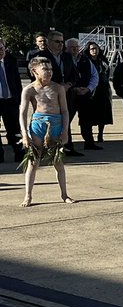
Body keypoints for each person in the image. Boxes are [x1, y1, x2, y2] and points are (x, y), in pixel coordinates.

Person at [18, 57, 74, 207]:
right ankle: (28, 195)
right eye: (45, 69)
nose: (49, 72)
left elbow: (65, 111)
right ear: (34, 71)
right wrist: (24, 134)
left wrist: (65, 131)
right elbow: (22, 113)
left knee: (58, 162)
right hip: (37, 124)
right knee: (33, 162)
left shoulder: (58, 88)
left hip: (55, 124)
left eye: (50, 69)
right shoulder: (29, 89)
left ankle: (64, 194)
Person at [0, 38, 26, 167]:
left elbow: (17, 81)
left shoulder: (10, 61)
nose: (0, 51)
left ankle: (20, 154)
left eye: (1, 48)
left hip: (10, 101)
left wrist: (20, 99)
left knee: (14, 129)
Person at [82, 41, 113, 145]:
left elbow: (107, 72)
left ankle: (100, 134)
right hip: (91, 89)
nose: (94, 51)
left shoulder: (102, 60)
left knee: (103, 112)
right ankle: (89, 135)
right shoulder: (85, 61)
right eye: (92, 49)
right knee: (90, 113)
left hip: (103, 88)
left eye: (96, 48)